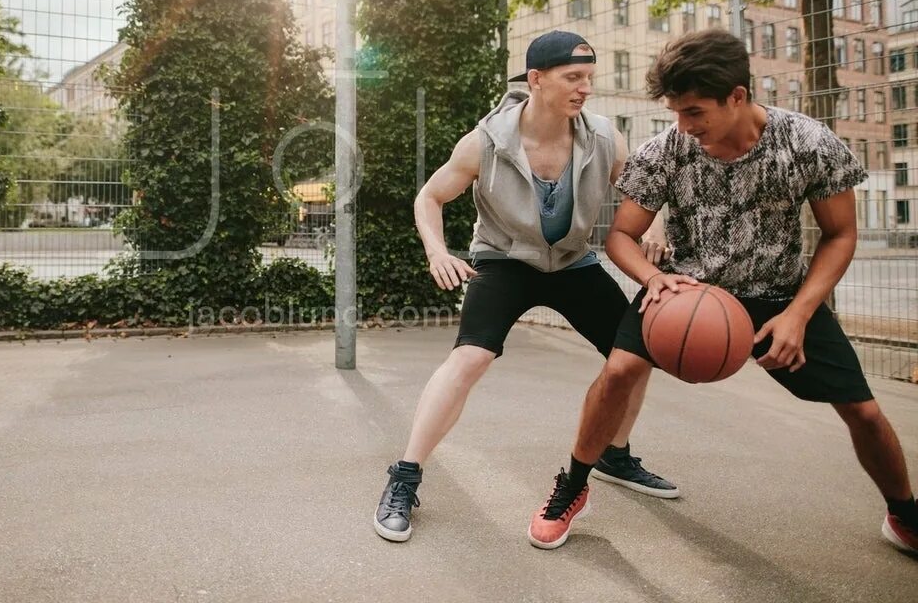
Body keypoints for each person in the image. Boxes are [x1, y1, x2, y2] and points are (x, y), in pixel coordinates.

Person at [527, 29, 918, 555]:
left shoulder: (806, 142)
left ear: (737, 96)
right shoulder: (667, 150)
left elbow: (841, 233)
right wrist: (651, 278)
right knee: (618, 371)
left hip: (780, 294)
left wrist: (801, 314)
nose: (683, 127)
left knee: (865, 412)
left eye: (694, 113)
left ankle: (903, 511)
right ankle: (572, 488)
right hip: (687, 289)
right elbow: (620, 236)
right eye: (676, 113)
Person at [374, 30, 677, 543]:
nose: (585, 88)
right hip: (504, 260)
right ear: (536, 80)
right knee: (470, 358)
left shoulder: (605, 136)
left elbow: (642, 196)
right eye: (573, 78)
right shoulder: (485, 142)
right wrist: (437, 252)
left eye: (589, 78)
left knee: (636, 351)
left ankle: (614, 455)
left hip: (573, 263)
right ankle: (404, 476)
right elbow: (430, 198)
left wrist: (654, 227)